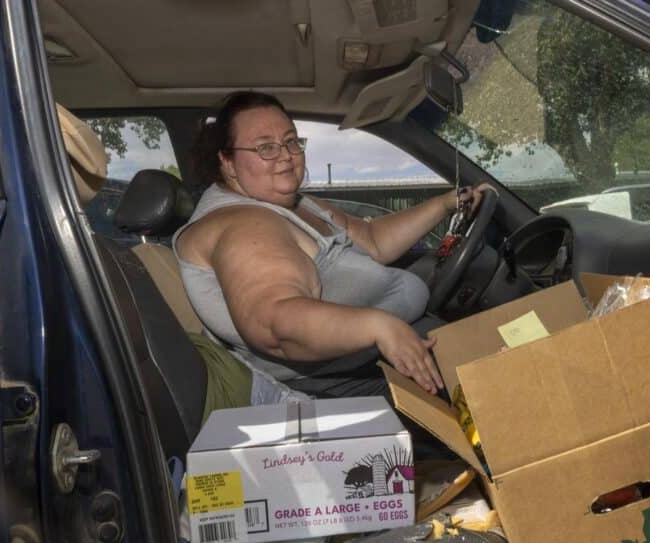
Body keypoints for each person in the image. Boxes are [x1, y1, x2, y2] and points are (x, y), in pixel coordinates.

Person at [173, 91, 489, 398]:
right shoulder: (244, 226)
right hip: (345, 380)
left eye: (291, 141)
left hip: (388, 347)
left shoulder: (293, 203)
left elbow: (373, 241)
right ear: (228, 162)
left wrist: (445, 204)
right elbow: (274, 324)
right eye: (265, 147)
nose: (286, 155)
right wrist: (379, 328)